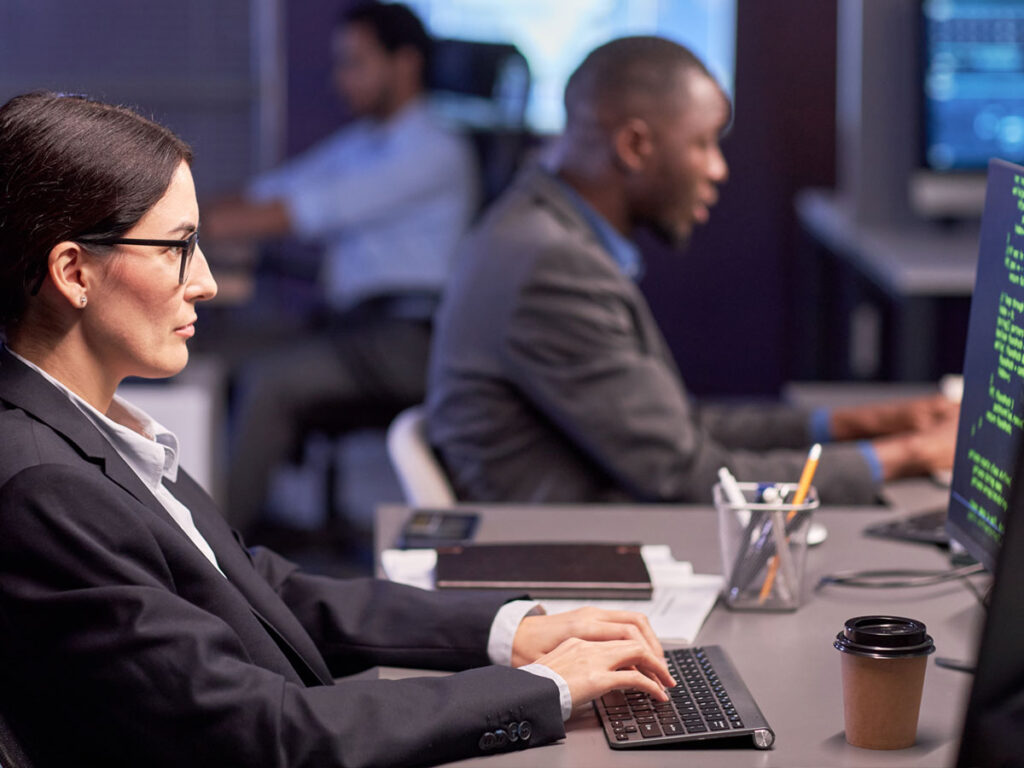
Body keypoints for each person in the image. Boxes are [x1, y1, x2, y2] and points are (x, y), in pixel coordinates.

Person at [0, 91, 674, 767]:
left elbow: (259, 591)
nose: (203, 280)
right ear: (73, 272)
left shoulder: (85, 432)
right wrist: (542, 690)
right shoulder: (45, 486)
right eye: (178, 247)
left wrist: (514, 631)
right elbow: (260, 732)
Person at [426, 36, 958, 506]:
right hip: (565, 556)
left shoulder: (540, 228)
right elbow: (685, 474)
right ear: (634, 146)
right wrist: (907, 455)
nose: (718, 169)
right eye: (703, 144)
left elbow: (678, 430)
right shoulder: (551, 266)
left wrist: (867, 424)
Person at [204, 1, 479, 533]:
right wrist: (164, 205)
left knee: (269, 380)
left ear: (404, 64)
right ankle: (241, 513)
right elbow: (269, 192)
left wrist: (184, 224)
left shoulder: (435, 148)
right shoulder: (363, 143)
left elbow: (296, 213)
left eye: (355, 62)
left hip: (408, 338)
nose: (340, 79)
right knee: (219, 354)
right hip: (353, 328)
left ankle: (213, 554)